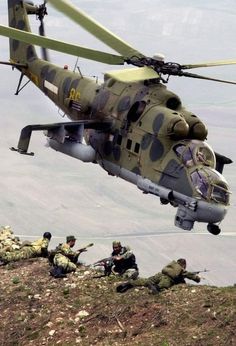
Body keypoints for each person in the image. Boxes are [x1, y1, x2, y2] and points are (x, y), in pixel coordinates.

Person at [116, 258, 200, 293]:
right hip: (167, 279)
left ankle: (130, 283)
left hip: (160, 274)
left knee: (146, 281)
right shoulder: (181, 270)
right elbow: (189, 275)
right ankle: (154, 288)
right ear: (183, 265)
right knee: (161, 287)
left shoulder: (172, 265)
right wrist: (197, 278)